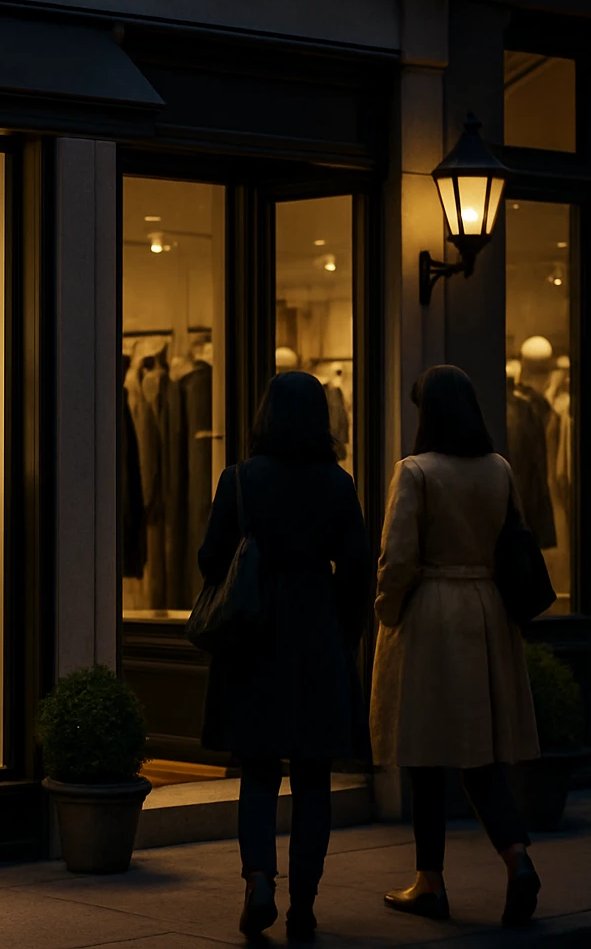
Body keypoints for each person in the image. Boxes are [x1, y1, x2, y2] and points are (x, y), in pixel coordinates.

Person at [197, 371, 373, 942]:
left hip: (254, 635)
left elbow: (209, 559)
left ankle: (257, 881)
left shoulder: (240, 479)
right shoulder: (338, 483)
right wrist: (340, 636)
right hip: (316, 632)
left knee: (257, 772)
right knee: (314, 779)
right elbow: (356, 573)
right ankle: (303, 906)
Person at [370, 365, 541, 927]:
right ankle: (516, 859)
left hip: (433, 614)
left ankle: (430, 881)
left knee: (424, 751)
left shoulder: (415, 472)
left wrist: (385, 612)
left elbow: (398, 560)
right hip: (486, 611)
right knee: (480, 755)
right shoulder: (499, 470)